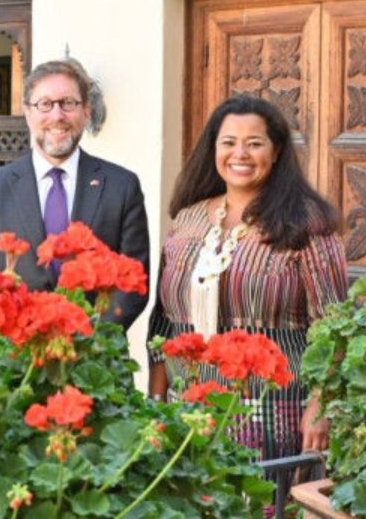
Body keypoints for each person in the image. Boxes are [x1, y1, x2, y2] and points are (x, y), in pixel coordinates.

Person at [146, 94, 348, 457]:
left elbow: (334, 325)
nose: (240, 154)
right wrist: (156, 399)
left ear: (276, 152)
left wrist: (321, 406)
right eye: (229, 143)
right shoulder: (187, 219)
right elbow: (164, 320)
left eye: (254, 144)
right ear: (213, 150)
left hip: (271, 409)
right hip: (187, 408)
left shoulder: (307, 223)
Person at [0, 58, 150, 330]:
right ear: (27, 113)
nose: (57, 115)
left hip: (95, 360)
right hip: (16, 359)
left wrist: (87, 342)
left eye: (68, 103)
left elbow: (134, 283)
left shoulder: (122, 186)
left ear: (86, 112)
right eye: (44, 104)